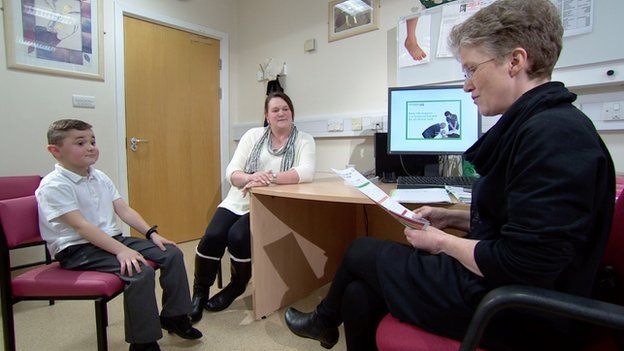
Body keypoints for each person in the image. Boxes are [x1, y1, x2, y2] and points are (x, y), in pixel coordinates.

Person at [284, 0, 615, 350]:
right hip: (501, 289)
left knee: (361, 250)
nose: (466, 85)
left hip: (514, 309)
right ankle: (325, 321)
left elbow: (525, 263)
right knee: (357, 290)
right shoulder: (541, 126)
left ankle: (323, 321)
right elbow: (520, 227)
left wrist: (442, 242)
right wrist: (451, 217)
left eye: (471, 69)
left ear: (515, 61)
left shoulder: (555, 136)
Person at [36, 119, 202, 351]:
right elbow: (82, 227)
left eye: (92, 141)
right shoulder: (53, 185)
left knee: (172, 253)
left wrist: (151, 233)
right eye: (80, 142)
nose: (90, 147)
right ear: (55, 151)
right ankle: (142, 342)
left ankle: (174, 316)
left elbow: (123, 209)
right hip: (77, 249)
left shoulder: (99, 176)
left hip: (110, 241)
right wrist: (123, 251)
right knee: (138, 269)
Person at [190, 92, 316, 322]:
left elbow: (306, 173)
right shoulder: (252, 136)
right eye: (275, 110)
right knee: (213, 235)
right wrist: (249, 178)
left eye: (285, 109)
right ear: (266, 116)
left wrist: (268, 178)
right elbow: (232, 172)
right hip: (239, 198)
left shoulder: (304, 139)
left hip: (272, 205)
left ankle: (237, 285)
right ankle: (200, 292)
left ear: (292, 113)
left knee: (238, 236)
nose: (281, 113)